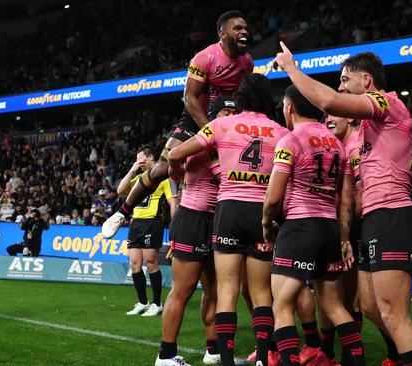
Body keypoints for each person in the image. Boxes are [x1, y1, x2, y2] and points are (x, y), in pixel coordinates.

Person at [273, 44, 412, 365]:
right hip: (371, 221)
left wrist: (292, 68)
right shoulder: (360, 133)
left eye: (346, 80)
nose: (341, 86)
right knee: (371, 308)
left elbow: (329, 100)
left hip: (392, 214)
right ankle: (401, 356)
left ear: (367, 81)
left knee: (393, 313)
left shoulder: (390, 104)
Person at [169, 74, 288, 366]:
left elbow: (175, 152)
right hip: (262, 213)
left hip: (229, 210)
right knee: (261, 292)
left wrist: (177, 172)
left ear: (242, 97)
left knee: (226, 290)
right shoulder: (281, 132)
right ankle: (263, 358)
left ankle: (226, 361)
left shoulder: (221, 124)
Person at [102, 10, 253, 239]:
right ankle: (122, 213)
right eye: (238, 28)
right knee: (162, 168)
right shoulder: (205, 57)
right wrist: (210, 131)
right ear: (222, 33)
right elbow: (190, 98)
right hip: (197, 117)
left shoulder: (247, 62)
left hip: (229, 120)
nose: (244, 32)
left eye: (245, 28)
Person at [261, 85, 364, 366]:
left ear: (289, 107)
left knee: (281, 305)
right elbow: (346, 202)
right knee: (334, 306)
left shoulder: (291, 141)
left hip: (299, 228)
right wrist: (343, 238)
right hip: (329, 229)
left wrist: (266, 225)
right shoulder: (338, 145)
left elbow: (273, 198)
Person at [155, 97, 236, 366]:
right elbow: (172, 158)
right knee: (183, 291)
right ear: (211, 116)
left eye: (235, 112)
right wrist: (175, 170)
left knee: (214, 291)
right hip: (192, 219)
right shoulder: (199, 141)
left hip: (217, 221)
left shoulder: (228, 143)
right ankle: (165, 355)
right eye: (226, 112)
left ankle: (212, 350)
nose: (231, 116)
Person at [120, 146, 178, 317]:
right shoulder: (139, 178)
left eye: (142, 160)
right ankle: (142, 302)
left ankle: (157, 303)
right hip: (135, 223)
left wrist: (175, 227)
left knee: (151, 262)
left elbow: (173, 203)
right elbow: (120, 191)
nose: (140, 163)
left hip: (152, 223)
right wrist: (132, 169)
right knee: (134, 264)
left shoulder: (164, 179)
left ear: (151, 157)